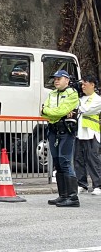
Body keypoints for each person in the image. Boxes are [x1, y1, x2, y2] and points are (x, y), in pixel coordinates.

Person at [42, 69, 81, 207]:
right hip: (53, 130)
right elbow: (43, 111)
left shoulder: (72, 93)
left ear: (67, 80)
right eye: (55, 78)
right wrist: (51, 113)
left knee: (65, 162)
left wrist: (50, 112)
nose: (56, 80)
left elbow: (61, 111)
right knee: (58, 163)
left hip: (66, 131)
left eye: (59, 78)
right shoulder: (52, 94)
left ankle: (72, 197)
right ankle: (63, 195)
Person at [74, 74, 101, 195]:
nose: (82, 86)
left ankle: (98, 185)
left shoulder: (98, 99)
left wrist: (77, 103)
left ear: (93, 84)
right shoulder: (81, 98)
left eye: (85, 83)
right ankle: (82, 184)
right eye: (82, 84)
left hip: (91, 133)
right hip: (79, 133)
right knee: (78, 159)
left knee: (93, 160)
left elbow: (87, 110)